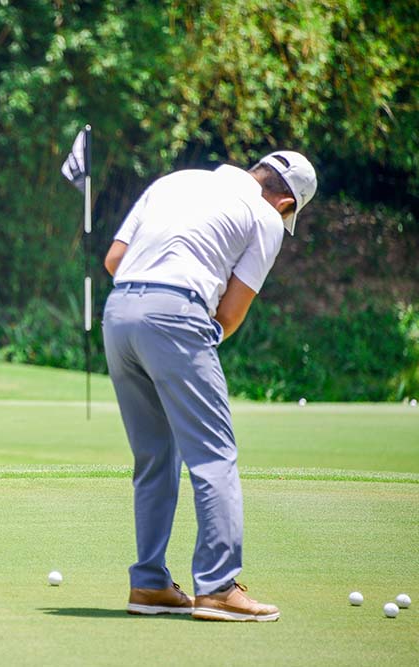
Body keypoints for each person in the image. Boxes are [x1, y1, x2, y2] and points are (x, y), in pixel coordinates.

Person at [101, 151, 317, 621]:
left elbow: (114, 259)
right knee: (214, 455)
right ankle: (218, 587)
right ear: (285, 203)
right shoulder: (265, 215)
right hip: (176, 314)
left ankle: (149, 584)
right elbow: (231, 312)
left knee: (156, 456)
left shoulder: (174, 181)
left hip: (118, 314)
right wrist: (190, 330)